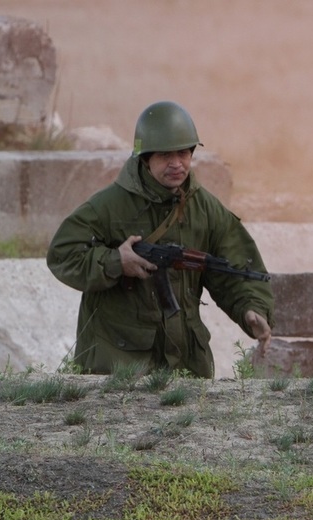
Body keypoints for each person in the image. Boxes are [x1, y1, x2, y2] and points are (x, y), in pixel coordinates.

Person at [47, 101, 274, 378]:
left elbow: (232, 266)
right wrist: (116, 261)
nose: (177, 164)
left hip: (185, 364)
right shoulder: (109, 205)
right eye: (166, 156)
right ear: (145, 158)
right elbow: (62, 253)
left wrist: (251, 308)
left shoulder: (205, 209)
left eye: (183, 153)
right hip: (117, 364)